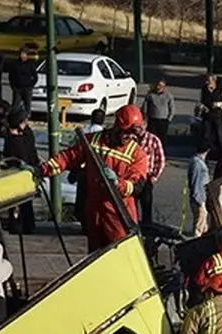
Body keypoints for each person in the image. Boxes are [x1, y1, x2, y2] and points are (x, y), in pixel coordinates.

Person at [39, 104, 149, 252]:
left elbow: (137, 185)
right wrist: (42, 170)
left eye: (133, 134)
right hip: (94, 212)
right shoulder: (92, 141)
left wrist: (118, 183)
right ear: (117, 126)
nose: (129, 137)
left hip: (119, 215)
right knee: (95, 256)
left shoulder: (137, 154)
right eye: (126, 133)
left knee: (122, 255)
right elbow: (68, 158)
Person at [2, 109, 37, 233]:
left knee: (26, 203)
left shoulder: (27, 135)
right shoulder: (11, 139)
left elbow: (32, 152)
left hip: (26, 173)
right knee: (15, 204)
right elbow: (10, 157)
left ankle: (27, 225)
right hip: (15, 174)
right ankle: (16, 225)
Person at [138, 118, 165, 226]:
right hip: (132, 176)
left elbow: (160, 160)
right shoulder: (132, 139)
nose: (138, 129)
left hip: (146, 177)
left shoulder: (153, 140)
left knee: (146, 203)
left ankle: (146, 225)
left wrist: (154, 177)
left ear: (145, 125)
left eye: (140, 126)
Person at [198, 74, 222, 156]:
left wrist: (218, 104)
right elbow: (200, 101)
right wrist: (202, 107)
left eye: (209, 81)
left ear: (214, 81)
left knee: (219, 136)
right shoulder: (203, 89)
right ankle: (206, 153)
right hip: (207, 116)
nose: (207, 82)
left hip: (217, 116)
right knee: (206, 136)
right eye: (206, 81)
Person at [187, 137, 211, 237]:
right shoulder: (198, 164)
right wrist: (200, 201)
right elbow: (196, 183)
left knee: (203, 223)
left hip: (199, 197)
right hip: (199, 198)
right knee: (199, 224)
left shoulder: (195, 161)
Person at [5, 48, 39, 118]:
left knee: (27, 104)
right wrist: (13, 86)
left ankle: (27, 117)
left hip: (27, 88)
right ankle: (14, 117)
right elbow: (11, 76)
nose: (23, 55)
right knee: (15, 105)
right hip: (17, 88)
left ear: (27, 55)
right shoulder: (15, 64)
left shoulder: (30, 64)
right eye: (21, 54)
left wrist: (31, 85)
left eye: (24, 54)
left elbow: (35, 76)